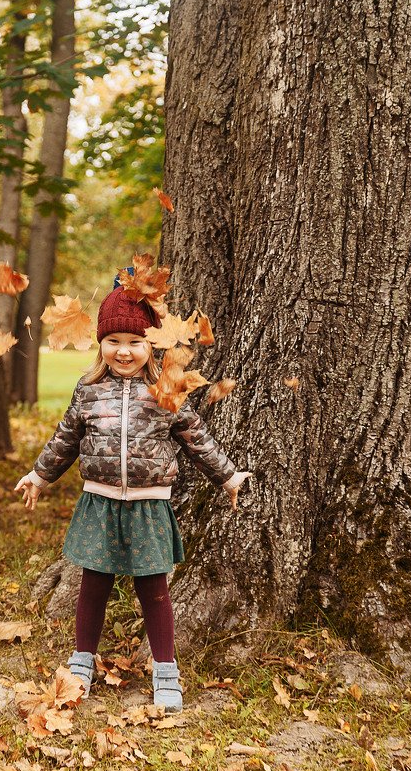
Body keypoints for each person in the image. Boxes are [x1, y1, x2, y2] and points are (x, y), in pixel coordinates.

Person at [14, 272, 251, 712]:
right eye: (114, 340)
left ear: (151, 346)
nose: (123, 351)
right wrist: (39, 476)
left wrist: (228, 476)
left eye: (135, 341)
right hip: (99, 500)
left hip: (149, 505)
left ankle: (166, 671)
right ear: (102, 344)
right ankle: (82, 660)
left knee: (154, 588)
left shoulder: (166, 392)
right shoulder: (88, 391)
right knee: (94, 583)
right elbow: (65, 439)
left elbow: (197, 439)